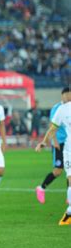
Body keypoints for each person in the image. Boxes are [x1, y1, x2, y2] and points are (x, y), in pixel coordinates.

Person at [35, 97, 71, 226]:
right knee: (63, 175)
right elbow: (52, 128)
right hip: (67, 150)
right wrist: (44, 142)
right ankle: (69, 213)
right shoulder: (61, 109)